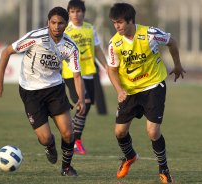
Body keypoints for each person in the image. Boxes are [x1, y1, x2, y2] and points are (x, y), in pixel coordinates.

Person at [0, 7, 85, 176]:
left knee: (68, 133)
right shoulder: (36, 37)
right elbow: (7, 52)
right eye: (53, 22)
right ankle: (50, 146)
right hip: (31, 91)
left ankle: (66, 168)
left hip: (55, 89)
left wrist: (81, 98)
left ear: (66, 24)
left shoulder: (70, 46)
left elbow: (77, 76)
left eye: (61, 23)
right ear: (48, 23)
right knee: (45, 138)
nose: (56, 26)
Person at [107, 3, 186, 183]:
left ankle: (164, 169)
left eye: (119, 22)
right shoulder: (114, 43)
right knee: (119, 132)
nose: (116, 26)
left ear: (130, 21)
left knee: (152, 131)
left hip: (153, 86)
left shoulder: (149, 34)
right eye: (114, 23)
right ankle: (130, 156)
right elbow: (111, 69)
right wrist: (119, 90)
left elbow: (171, 41)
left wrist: (178, 65)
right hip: (129, 91)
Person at [61, 0, 108, 155]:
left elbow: (97, 50)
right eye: (72, 12)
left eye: (78, 11)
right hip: (71, 74)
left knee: (85, 108)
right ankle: (73, 141)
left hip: (89, 72)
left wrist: (107, 67)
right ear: (68, 14)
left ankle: (74, 139)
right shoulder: (65, 30)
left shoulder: (90, 28)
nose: (76, 14)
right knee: (84, 104)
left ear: (84, 12)